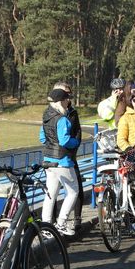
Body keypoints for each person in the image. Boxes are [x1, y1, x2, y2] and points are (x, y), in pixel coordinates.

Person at [40, 88, 80, 236]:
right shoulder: (62, 119)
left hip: (48, 159)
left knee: (50, 194)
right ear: (61, 101)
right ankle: (61, 223)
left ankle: (45, 227)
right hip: (62, 160)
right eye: (66, 99)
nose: (68, 101)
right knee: (73, 191)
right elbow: (64, 141)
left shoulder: (46, 116)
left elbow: (42, 138)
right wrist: (75, 142)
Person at [54, 81, 83, 231]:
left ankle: (77, 219)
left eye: (69, 94)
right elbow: (47, 136)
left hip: (70, 156)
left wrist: (73, 146)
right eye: (65, 93)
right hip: (56, 157)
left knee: (77, 187)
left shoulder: (72, 112)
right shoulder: (52, 112)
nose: (67, 97)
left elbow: (77, 133)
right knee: (53, 191)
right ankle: (54, 223)